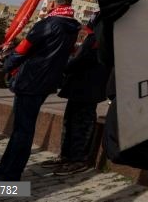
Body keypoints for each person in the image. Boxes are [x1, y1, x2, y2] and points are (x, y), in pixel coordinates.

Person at [0, 0, 81, 181]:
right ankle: (10, 170)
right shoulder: (72, 27)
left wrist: (6, 64)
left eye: (49, 2)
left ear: (53, 4)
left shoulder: (47, 24)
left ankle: (8, 173)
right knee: (25, 128)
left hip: (31, 80)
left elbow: (22, 49)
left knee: (22, 129)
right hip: (47, 82)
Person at [46, 21, 110, 176]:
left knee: (82, 124)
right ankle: (66, 156)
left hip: (88, 88)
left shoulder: (102, 35)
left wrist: (67, 65)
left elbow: (88, 58)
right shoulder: (93, 36)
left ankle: (79, 159)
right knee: (70, 122)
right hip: (78, 86)